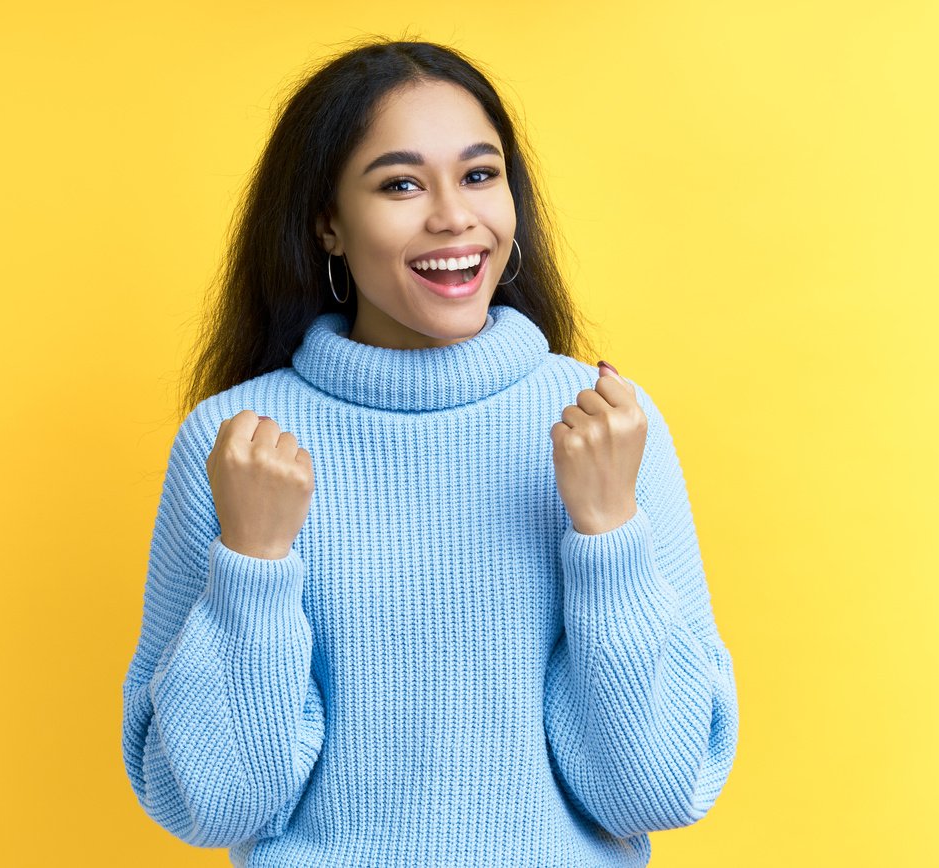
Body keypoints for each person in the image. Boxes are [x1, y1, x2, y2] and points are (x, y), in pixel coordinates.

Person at [120, 38, 739, 868]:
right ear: (327, 223)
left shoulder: (608, 426)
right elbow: (215, 805)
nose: (453, 216)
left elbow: (652, 791)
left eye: (480, 175)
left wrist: (608, 534)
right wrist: (253, 564)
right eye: (401, 184)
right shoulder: (236, 444)